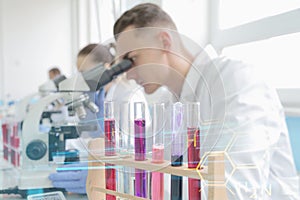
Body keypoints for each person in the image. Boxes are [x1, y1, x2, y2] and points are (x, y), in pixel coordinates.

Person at [112, 3, 299, 199]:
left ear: (164, 42)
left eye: (131, 59)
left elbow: (232, 190)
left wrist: (138, 184)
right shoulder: (168, 103)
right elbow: (144, 166)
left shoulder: (235, 80)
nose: (129, 75)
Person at [48, 44, 113, 194]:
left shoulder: (125, 96)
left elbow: (130, 154)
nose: (81, 78)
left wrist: (101, 176)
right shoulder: (97, 95)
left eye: (85, 72)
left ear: (106, 67)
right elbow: (89, 136)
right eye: (79, 72)